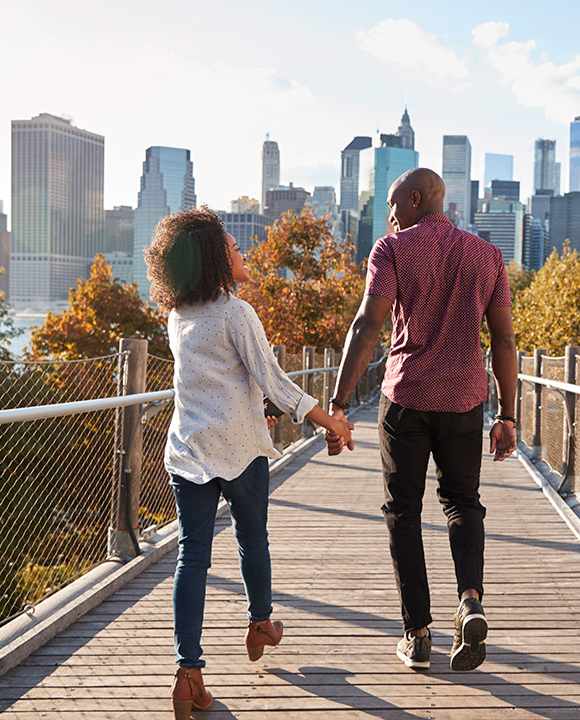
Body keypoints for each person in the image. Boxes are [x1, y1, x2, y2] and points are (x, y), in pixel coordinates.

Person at [144, 207, 354, 719]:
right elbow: (274, 380)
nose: (244, 254)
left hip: (189, 451)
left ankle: (188, 672)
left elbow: (212, 381)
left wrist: (254, 406)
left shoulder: (179, 316)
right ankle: (260, 623)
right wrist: (330, 422)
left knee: (191, 557)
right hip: (239, 452)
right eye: (235, 248)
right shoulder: (236, 312)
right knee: (251, 538)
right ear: (217, 258)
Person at [325, 168, 518, 672]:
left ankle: (417, 633)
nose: (389, 217)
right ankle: (470, 600)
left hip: (407, 399)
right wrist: (508, 414)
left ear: (416, 199)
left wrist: (339, 402)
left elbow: (369, 325)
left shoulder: (391, 251)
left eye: (392, 205)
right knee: (462, 503)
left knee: (402, 512)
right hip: (465, 401)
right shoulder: (488, 255)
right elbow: (503, 341)